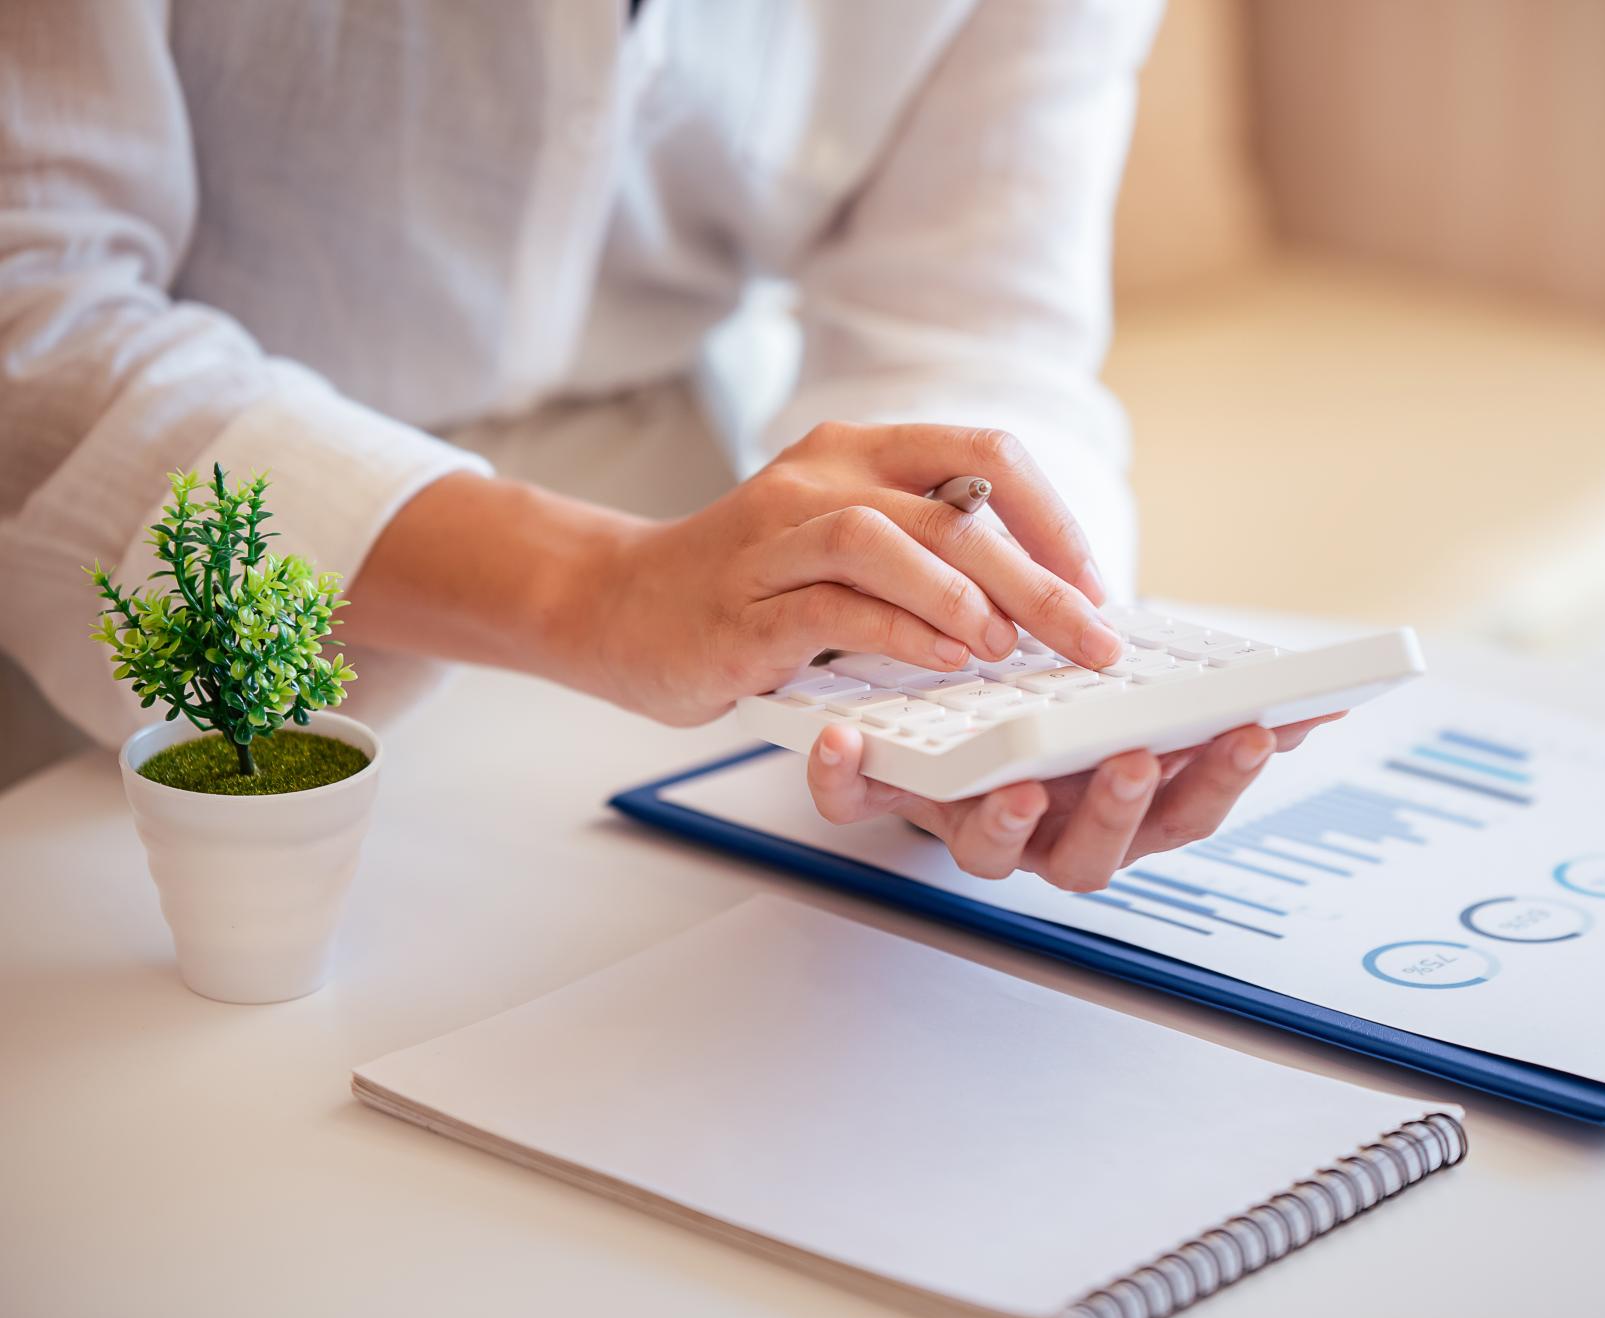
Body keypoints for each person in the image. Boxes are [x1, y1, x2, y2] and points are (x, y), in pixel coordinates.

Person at [0, 0, 1335, 890]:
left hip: (700, 607)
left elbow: (977, 330)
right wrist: (599, 590)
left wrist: (962, 675)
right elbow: (30, 317)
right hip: (126, 576)